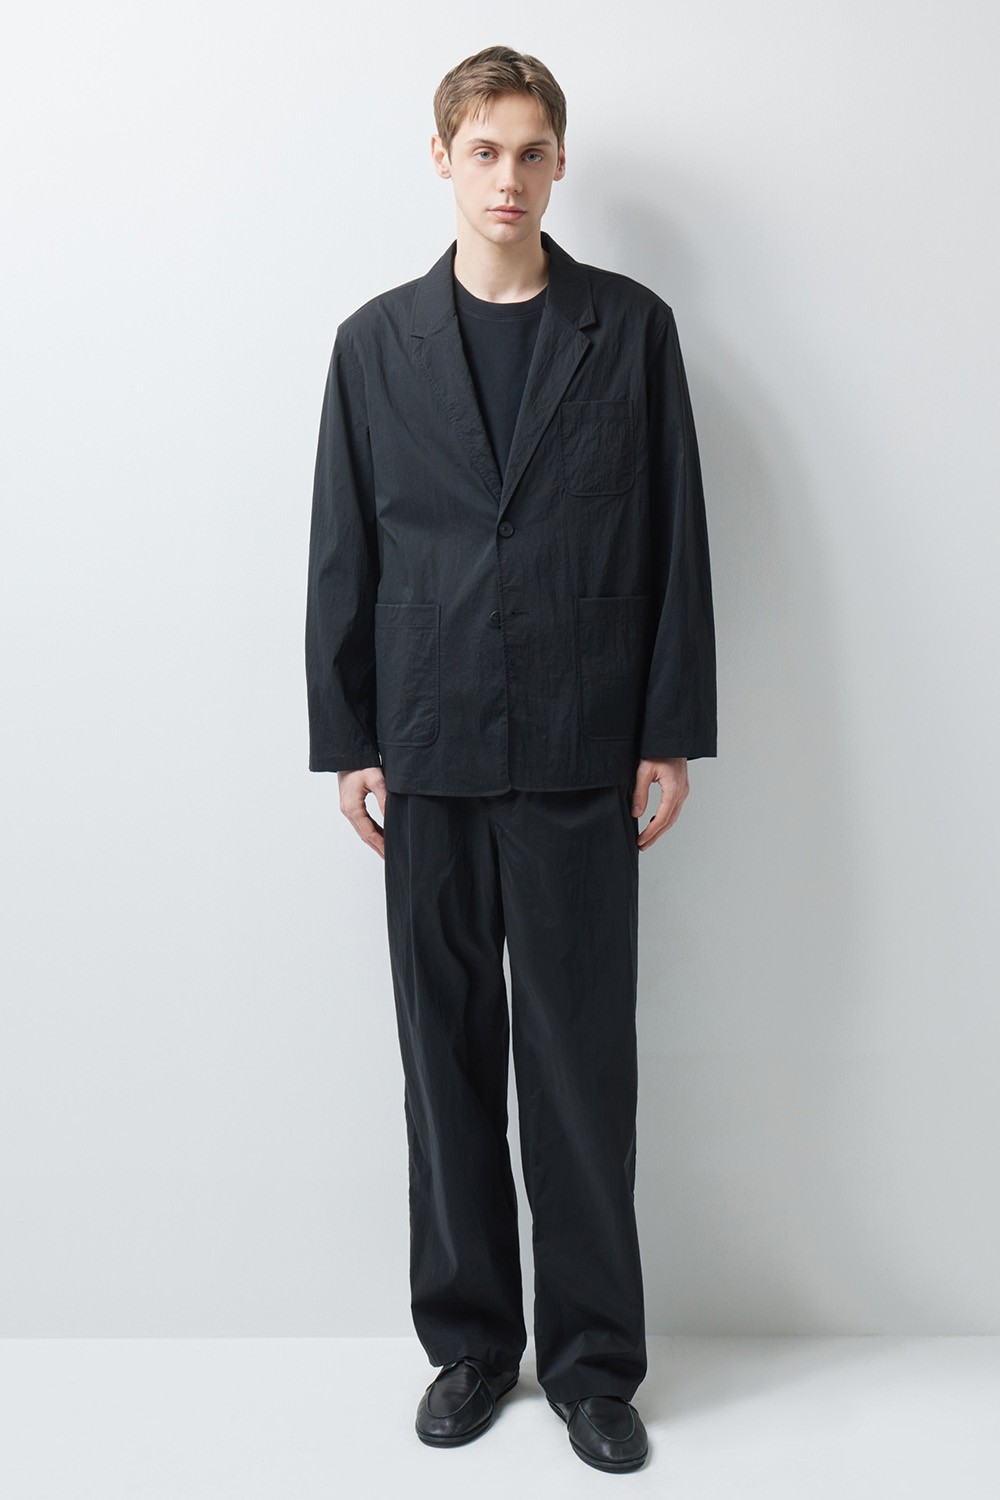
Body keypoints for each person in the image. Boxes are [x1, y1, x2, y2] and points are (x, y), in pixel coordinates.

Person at [304, 44, 717, 1475]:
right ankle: (473, 1344)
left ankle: (595, 1362)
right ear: (442, 158)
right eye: (484, 150)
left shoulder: (629, 330)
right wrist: (348, 738)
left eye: (532, 151)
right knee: (446, 1056)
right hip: (425, 744)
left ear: (559, 164)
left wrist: (667, 728)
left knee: (581, 1062)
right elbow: (344, 547)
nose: (509, 177)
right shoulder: (374, 344)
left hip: (582, 743)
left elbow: (675, 535)